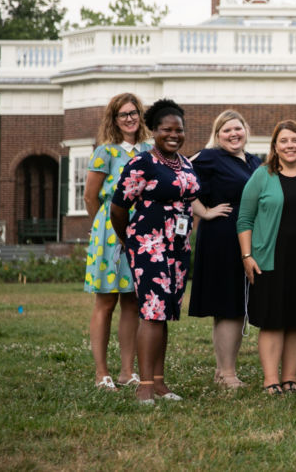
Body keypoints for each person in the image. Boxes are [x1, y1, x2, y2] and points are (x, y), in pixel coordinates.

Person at [110, 98, 200, 404]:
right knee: (151, 312)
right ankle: (144, 385)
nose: (173, 134)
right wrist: (130, 240)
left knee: (164, 313)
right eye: (166, 129)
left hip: (178, 247)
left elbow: (189, 201)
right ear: (154, 131)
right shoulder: (142, 163)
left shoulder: (186, 163)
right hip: (149, 246)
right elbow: (118, 208)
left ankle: (159, 383)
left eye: (179, 130)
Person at [237, 120, 296, 395]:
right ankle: (271, 379)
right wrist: (247, 256)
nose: (290, 145)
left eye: (295, 140)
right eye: (284, 141)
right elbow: (245, 219)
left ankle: (289, 378)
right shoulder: (261, 176)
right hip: (269, 260)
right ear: (275, 146)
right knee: (271, 319)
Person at [187, 110, 262, 389]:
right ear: (218, 135)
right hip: (222, 236)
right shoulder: (209, 157)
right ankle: (228, 373)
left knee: (238, 304)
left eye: (237, 129)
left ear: (246, 130)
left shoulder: (254, 161)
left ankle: (222, 371)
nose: (233, 134)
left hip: (250, 238)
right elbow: (182, 177)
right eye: (226, 130)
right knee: (229, 305)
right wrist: (204, 212)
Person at [84, 92, 151, 390]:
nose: (130, 118)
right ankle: (102, 373)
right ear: (114, 119)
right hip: (110, 232)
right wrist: (104, 230)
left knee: (133, 301)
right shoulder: (105, 152)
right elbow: (90, 197)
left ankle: (127, 371)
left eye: (134, 112)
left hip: (144, 231)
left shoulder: (151, 150)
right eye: (123, 114)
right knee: (106, 301)